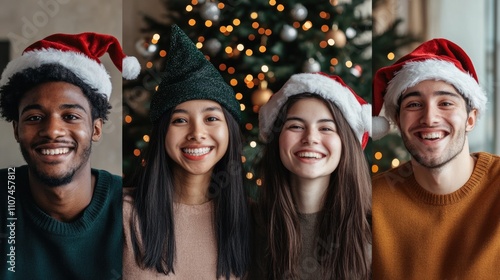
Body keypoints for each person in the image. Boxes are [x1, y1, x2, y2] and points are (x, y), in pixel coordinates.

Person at [0, 33, 140, 279]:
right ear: (16, 130)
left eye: (71, 116)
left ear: (96, 129)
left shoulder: (136, 212)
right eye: (34, 117)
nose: (52, 130)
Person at [122, 24, 250, 279]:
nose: (197, 133)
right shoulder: (122, 214)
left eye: (211, 119)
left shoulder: (253, 219)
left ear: (230, 131)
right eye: (180, 120)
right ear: (162, 134)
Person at [371, 38, 500, 279]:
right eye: (414, 104)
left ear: (471, 119)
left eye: (446, 103)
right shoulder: (370, 201)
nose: (429, 118)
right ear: (398, 121)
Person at [251, 73, 372, 279]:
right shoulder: (249, 224)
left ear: (346, 144)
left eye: (326, 128)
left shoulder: (376, 231)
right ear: (278, 139)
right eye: (296, 126)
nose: (311, 138)